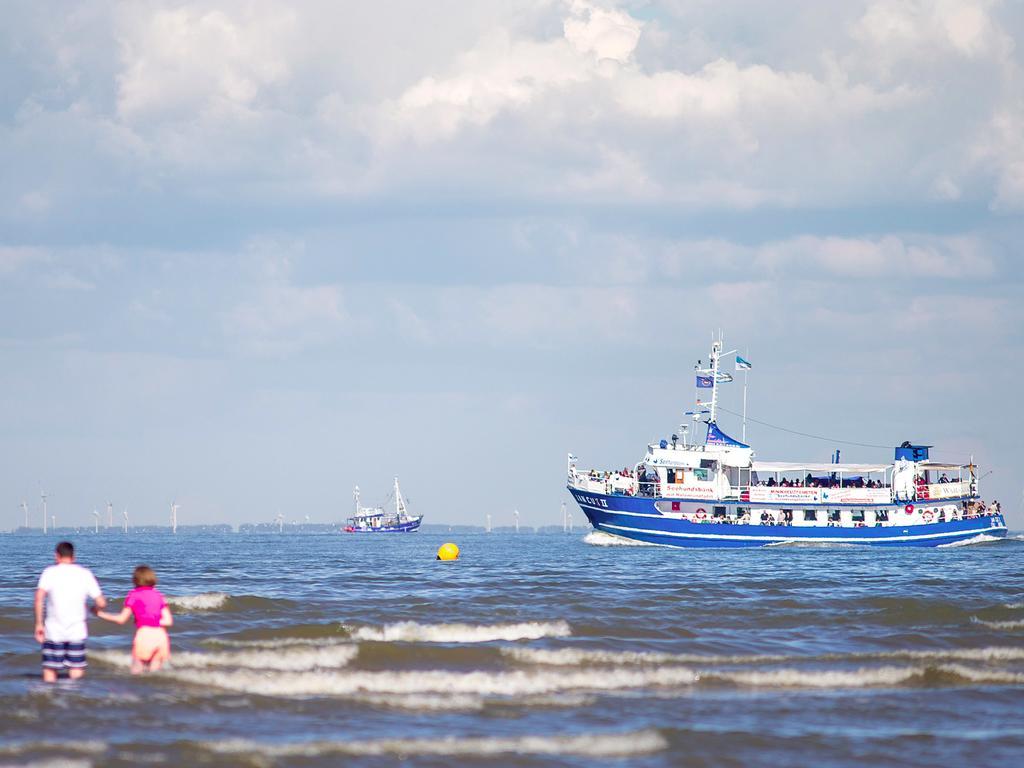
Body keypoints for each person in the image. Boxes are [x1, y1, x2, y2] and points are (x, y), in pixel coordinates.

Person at [34, 541, 107, 682]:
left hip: (53, 631)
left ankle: (51, 699)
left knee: (50, 670)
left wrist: (38, 624)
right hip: (76, 631)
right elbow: (102, 602)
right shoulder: (84, 574)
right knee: (76, 671)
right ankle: (74, 699)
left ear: (57, 556)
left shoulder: (49, 572)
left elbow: (39, 598)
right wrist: (95, 609)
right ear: (73, 557)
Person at [96, 565, 173, 674]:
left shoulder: (134, 595)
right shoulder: (159, 595)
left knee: (136, 672)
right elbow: (168, 621)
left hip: (145, 635)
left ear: (135, 580)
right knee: (154, 674)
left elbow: (121, 619)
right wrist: (153, 620)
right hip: (161, 636)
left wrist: (100, 614)